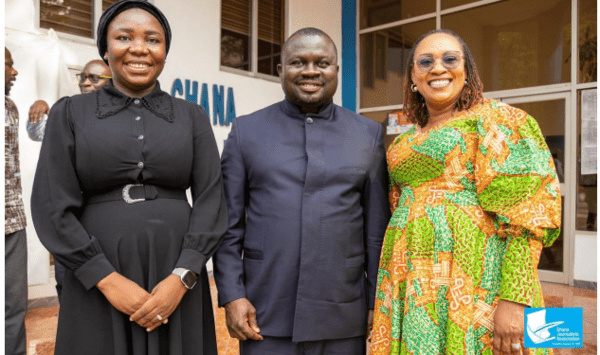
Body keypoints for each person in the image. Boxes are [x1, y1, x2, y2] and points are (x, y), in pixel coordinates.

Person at [30, 1, 227, 354]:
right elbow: (51, 204)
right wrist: (104, 278)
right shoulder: (71, 113)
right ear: (105, 49)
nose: (139, 48)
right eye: (124, 37)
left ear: (165, 51)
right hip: (96, 275)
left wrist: (183, 276)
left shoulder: (192, 116)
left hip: (176, 272)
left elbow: (212, 199)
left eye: (153, 40)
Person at [369, 29, 561, 355]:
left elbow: (528, 212)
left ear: (466, 70)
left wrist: (515, 300)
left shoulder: (496, 120)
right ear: (413, 77)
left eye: (450, 59)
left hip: (474, 280)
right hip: (410, 278)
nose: (438, 68)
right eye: (426, 62)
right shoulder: (402, 142)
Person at [213, 27, 390, 355]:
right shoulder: (246, 131)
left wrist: (375, 299)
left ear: (336, 70)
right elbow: (227, 226)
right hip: (264, 310)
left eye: (322, 63)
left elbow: (376, 231)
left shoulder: (367, 134)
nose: (311, 71)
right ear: (281, 70)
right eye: (298, 62)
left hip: (343, 312)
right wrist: (232, 295)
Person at [26, 59, 111, 302]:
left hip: (105, 216)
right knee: (68, 283)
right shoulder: (68, 113)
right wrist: (42, 108)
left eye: (94, 78)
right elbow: (35, 135)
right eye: (83, 76)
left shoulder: (122, 116)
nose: (85, 81)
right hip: (71, 217)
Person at [5, 46, 28, 355]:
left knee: (13, 308)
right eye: (8, 64)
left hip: (12, 222)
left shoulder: (10, 107)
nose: (14, 71)